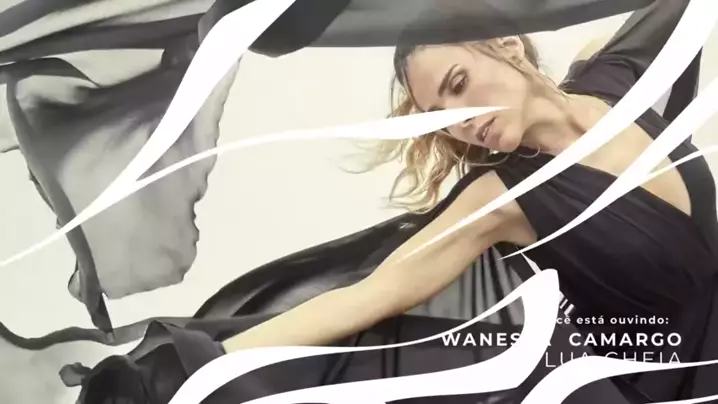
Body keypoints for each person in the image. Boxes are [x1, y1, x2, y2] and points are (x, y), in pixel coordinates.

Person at [58, 0, 718, 403]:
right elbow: (369, 296)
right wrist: (203, 375)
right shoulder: (501, 199)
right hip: (660, 385)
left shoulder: (623, 76)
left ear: (508, 44)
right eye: (440, 113)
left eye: (458, 83)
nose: (463, 119)